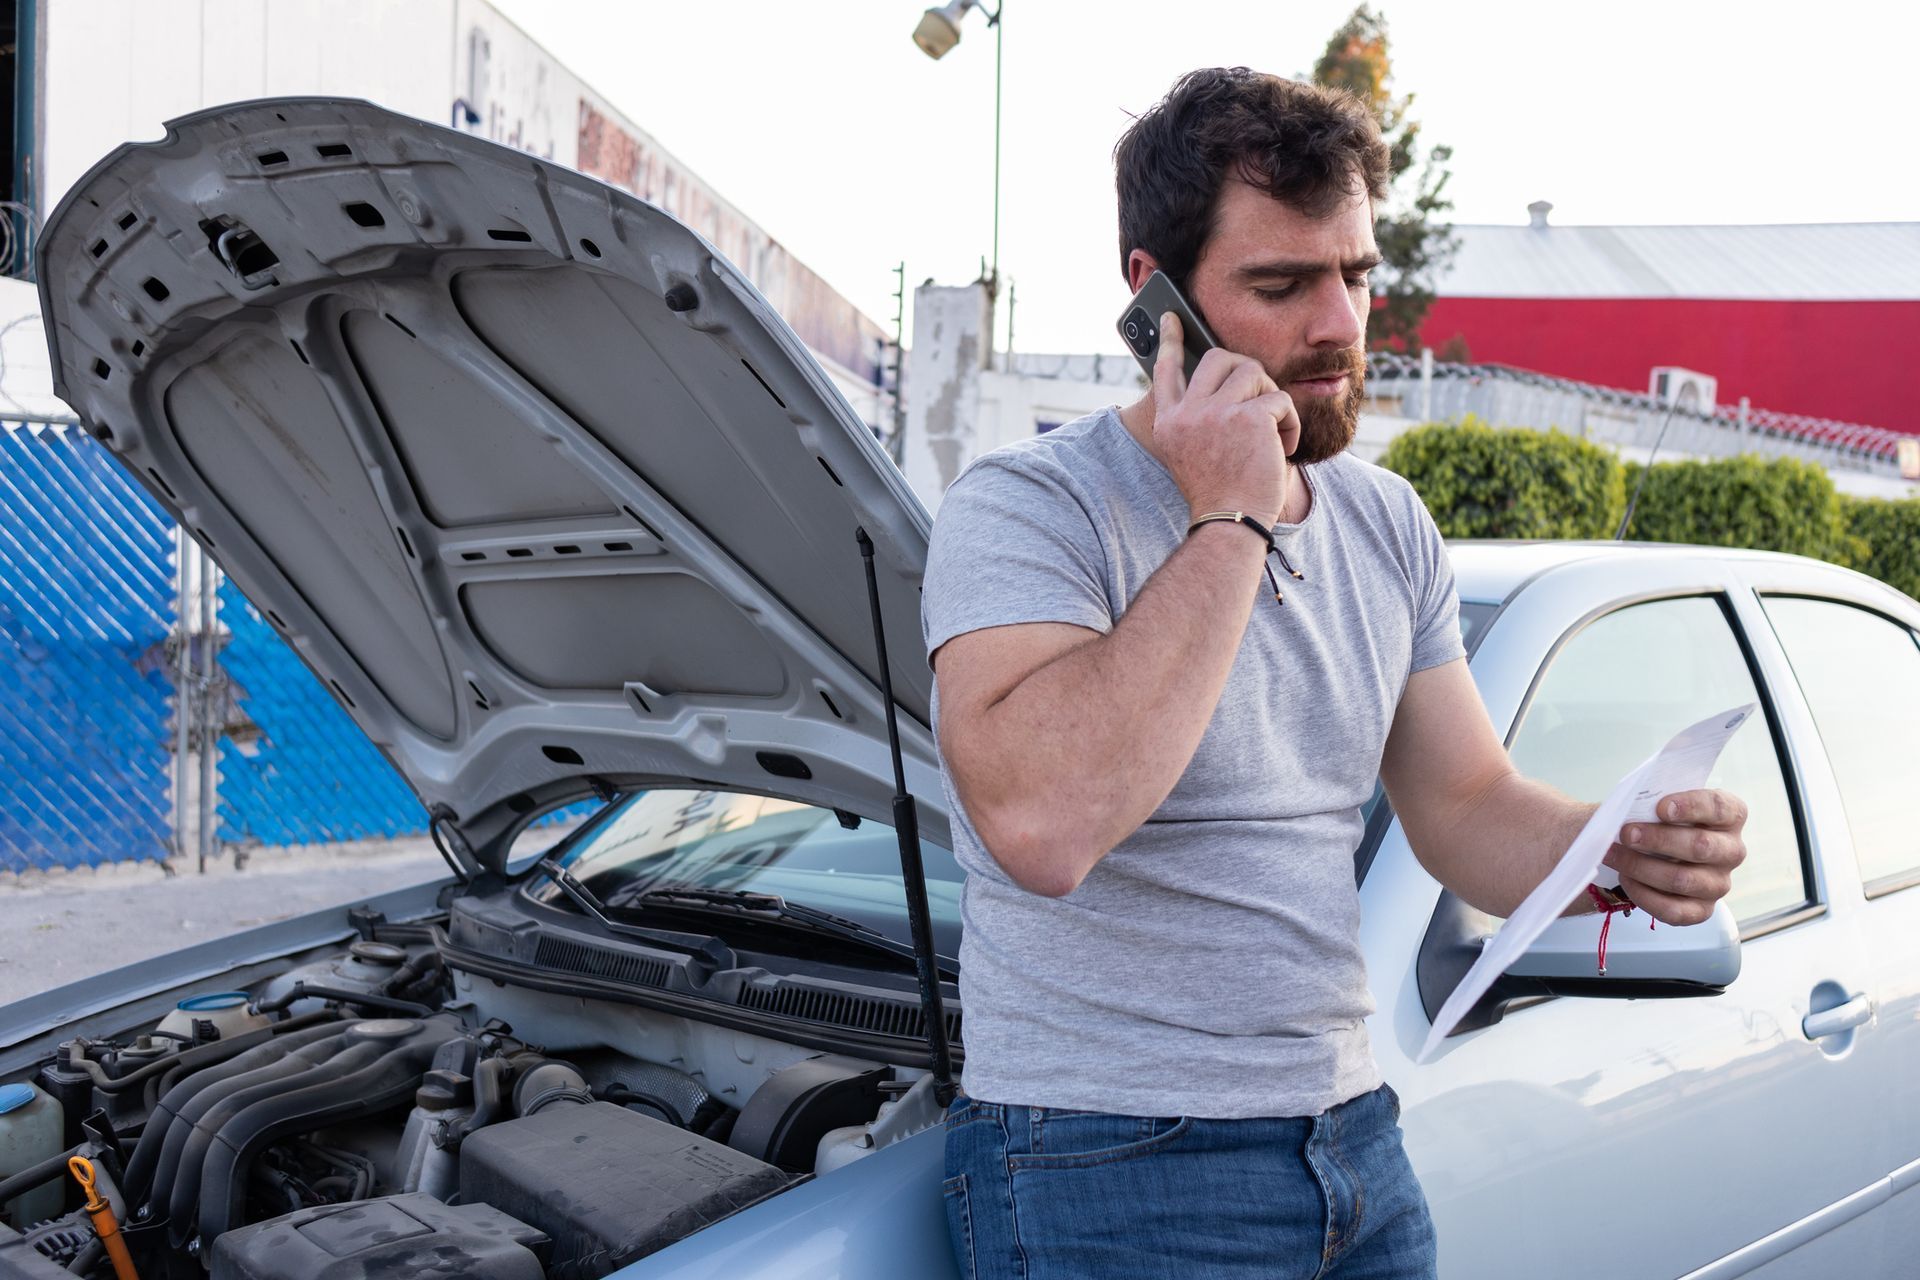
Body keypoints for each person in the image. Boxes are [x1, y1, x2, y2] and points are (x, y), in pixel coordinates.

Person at [919, 68, 1749, 1280]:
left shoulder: (1387, 521)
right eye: (1282, 284)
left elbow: (1466, 808)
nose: (1344, 327)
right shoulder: (1025, 509)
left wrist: (1619, 844)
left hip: (1355, 1142)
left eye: (1356, 274)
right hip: (1104, 1161)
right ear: (1157, 301)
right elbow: (1044, 825)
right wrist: (1230, 518)